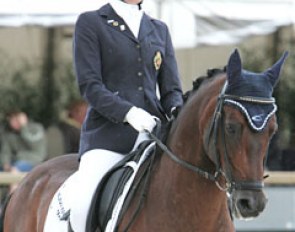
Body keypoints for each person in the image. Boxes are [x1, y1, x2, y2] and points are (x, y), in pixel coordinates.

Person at [69, 0, 183, 231]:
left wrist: (177, 111)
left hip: (153, 137)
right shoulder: (91, 22)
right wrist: (128, 113)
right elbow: (90, 86)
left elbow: (171, 90)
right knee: (82, 208)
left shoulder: (158, 28)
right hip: (107, 138)